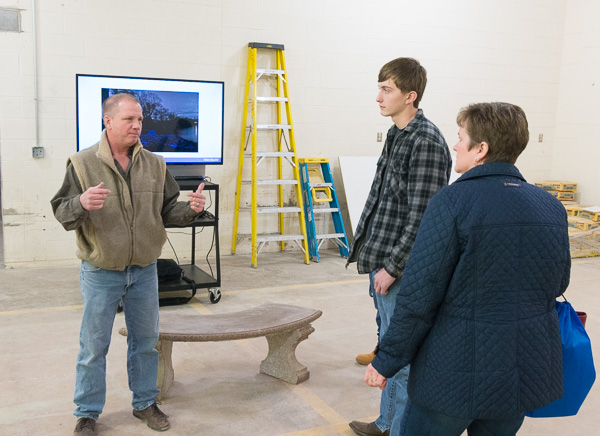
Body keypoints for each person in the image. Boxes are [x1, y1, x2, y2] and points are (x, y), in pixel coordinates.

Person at [364, 102, 571, 435]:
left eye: (461, 138)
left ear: (481, 150)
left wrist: (386, 359)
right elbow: (558, 282)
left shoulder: (451, 202)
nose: (456, 145)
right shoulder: (550, 206)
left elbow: (419, 296)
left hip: (453, 374)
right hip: (519, 374)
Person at [51, 93, 206, 435]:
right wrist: (80, 202)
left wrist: (191, 210)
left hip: (144, 271)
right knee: (93, 345)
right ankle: (87, 413)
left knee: (145, 340)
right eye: (129, 120)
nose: (137, 126)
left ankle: (145, 403)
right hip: (101, 271)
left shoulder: (154, 163)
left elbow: (168, 212)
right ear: (108, 121)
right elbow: (62, 212)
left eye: (139, 120)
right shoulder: (82, 163)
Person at [346, 57, 452, 436]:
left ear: (411, 96)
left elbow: (423, 217)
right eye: (379, 87)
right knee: (388, 346)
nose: (378, 97)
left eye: (386, 89)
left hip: (399, 269)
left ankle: (396, 427)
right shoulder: (396, 133)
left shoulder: (425, 142)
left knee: (401, 355)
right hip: (381, 259)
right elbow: (383, 200)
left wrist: (392, 267)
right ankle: (387, 421)